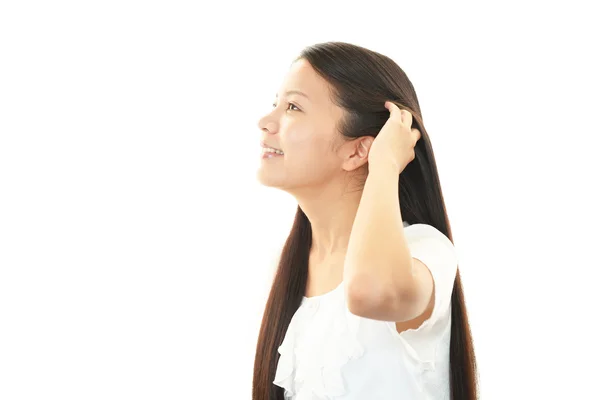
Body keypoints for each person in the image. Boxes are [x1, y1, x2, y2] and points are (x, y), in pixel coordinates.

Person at [252, 41, 478, 400]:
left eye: (293, 107)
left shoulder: (425, 250)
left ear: (358, 149)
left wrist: (385, 165)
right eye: (275, 103)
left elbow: (370, 292)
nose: (266, 122)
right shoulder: (288, 267)